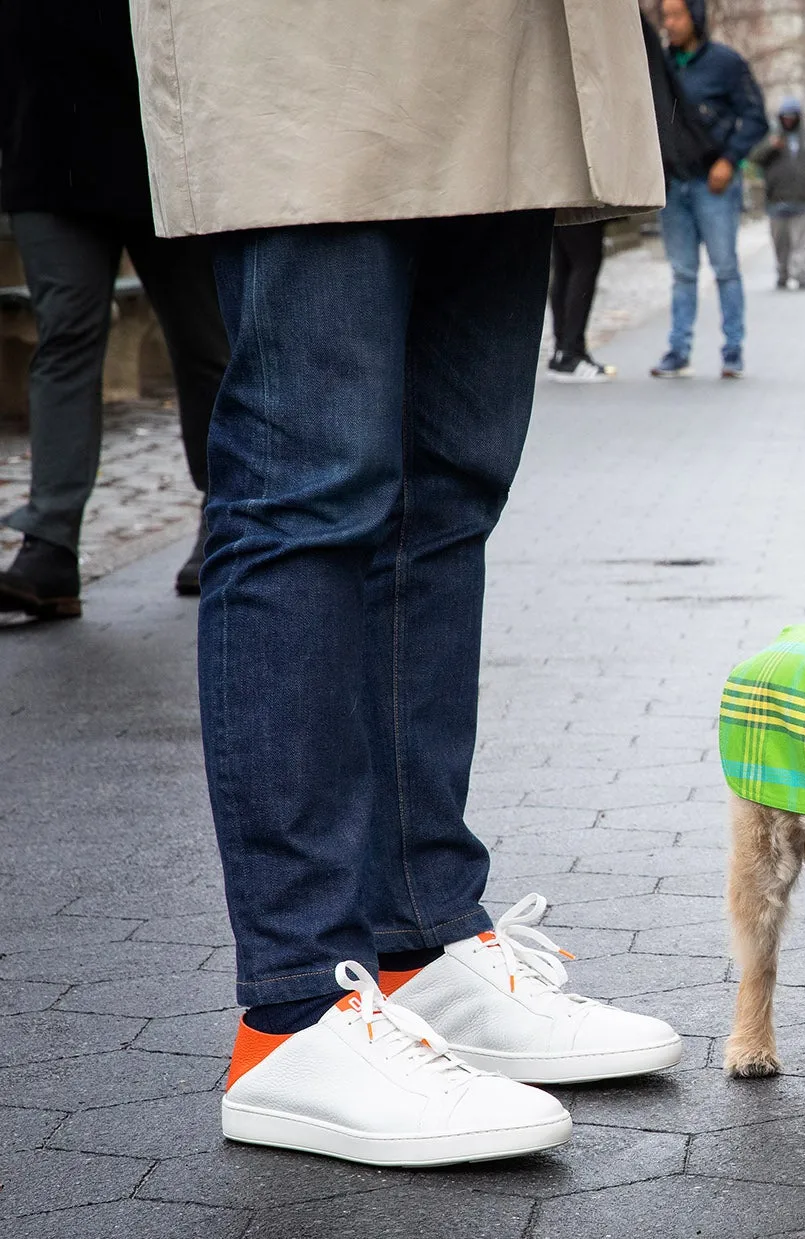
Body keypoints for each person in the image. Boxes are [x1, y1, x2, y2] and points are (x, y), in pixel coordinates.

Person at [128, 0, 685, 1168]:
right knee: (310, 492)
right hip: (323, 39)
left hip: (520, 53)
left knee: (448, 492)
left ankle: (412, 945)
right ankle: (294, 1009)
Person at [0, 0, 229, 616]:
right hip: (43, 146)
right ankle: (49, 544)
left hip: (165, 151)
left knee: (205, 345)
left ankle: (227, 520)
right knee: (65, 338)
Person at [646, 0, 766, 380]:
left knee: (725, 269)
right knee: (682, 273)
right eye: (665, 16)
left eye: (676, 15)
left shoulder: (726, 64)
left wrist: (729, 160)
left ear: (695, 17)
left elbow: (755, 117)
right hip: (674, 184)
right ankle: (678, 351)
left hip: (713, 184)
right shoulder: (661, 66)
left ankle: (733, 351)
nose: (669, 24)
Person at [750, 97, 805, 291]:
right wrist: (772, 146)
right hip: (776, 199)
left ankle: (802, 274)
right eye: (785, 117)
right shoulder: (771, 136)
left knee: (801, 240)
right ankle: (782, 273)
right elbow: (754, 158)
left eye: (791, 116)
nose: (788, 120)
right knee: (780, 242)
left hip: (804, 198)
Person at [546, 219, 615, 381]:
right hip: (578, 200)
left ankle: (563, 352)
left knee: (565, 265)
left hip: (558, 202)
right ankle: (571, 353)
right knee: (585, 262)